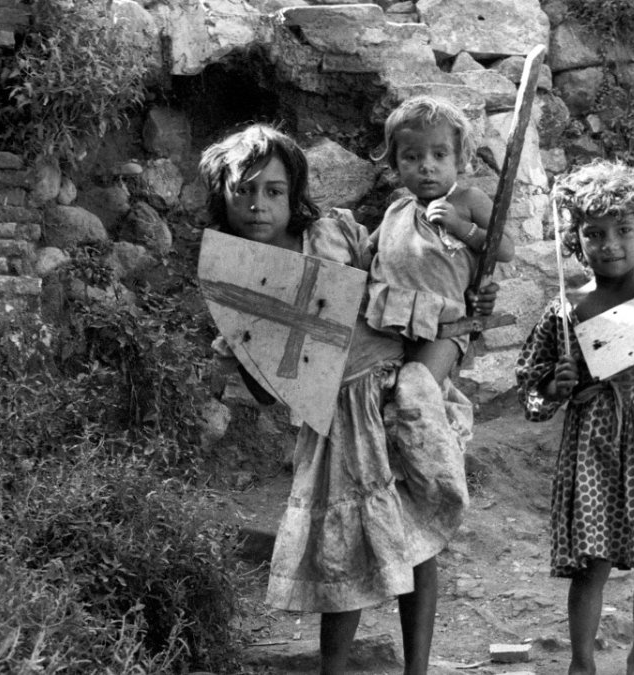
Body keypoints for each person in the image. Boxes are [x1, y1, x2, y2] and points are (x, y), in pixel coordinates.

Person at [198, 123, 495, 675]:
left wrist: (467, 281)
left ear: (295, 195)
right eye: (244, 190)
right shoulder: (235, 283)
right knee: (340, 551)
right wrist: (243, 349)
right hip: (333, 419)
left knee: (419, 534)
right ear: (223, 196)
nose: (259, 205)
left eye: (274, 191)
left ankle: (417, 670)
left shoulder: (332, 235)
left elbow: (401, 272)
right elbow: (270, 393)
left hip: (389, 385)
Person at [515, 160, 634, 675]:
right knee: (592, 560)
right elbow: (533, 388)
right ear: (577, 241)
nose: (610, 244)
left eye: (624, 231)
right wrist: (555, 387)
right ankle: (582, 663)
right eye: (594, 233)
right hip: (594, 445)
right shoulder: (567, 310)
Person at [366, 95, 516, 386]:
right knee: (382, 394)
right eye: (412, 157)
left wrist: (461, 227)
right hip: (391, 320)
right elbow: (367, 251)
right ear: (395, 164)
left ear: (460, 159)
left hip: (445, 326)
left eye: (439, 154)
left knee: (417, 391)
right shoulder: (397, 210)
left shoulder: (468, 201)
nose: (426, 166)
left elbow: (506, 249)